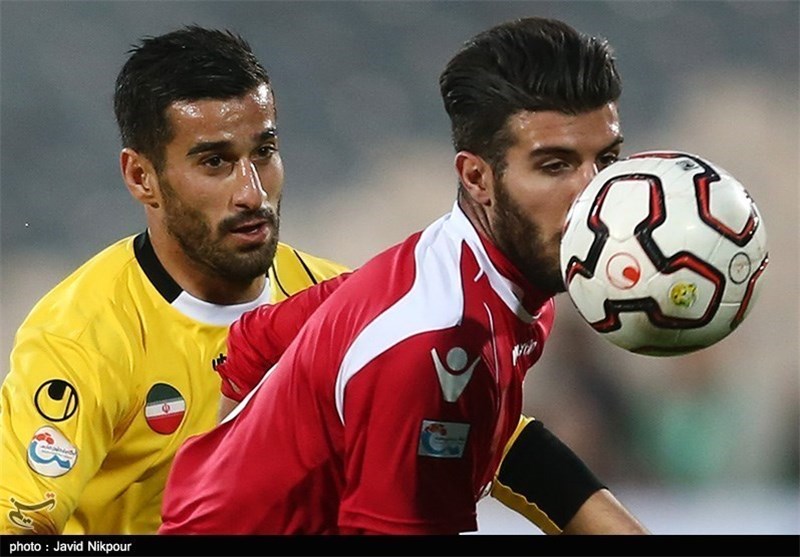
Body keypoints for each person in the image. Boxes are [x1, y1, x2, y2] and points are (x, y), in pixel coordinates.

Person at [159, 17, 649, 535]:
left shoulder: (466, 266)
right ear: (477, 178)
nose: (595, 195)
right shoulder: (432, 339)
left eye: (607, 159)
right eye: (555, 166)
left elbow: (254, 342)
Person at [0, 26, 348, 535]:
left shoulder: (340, 305)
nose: (252, 193)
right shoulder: (82, 336)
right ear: (141, 177)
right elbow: (19, 530)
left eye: (264, 152)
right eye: (215, 162)